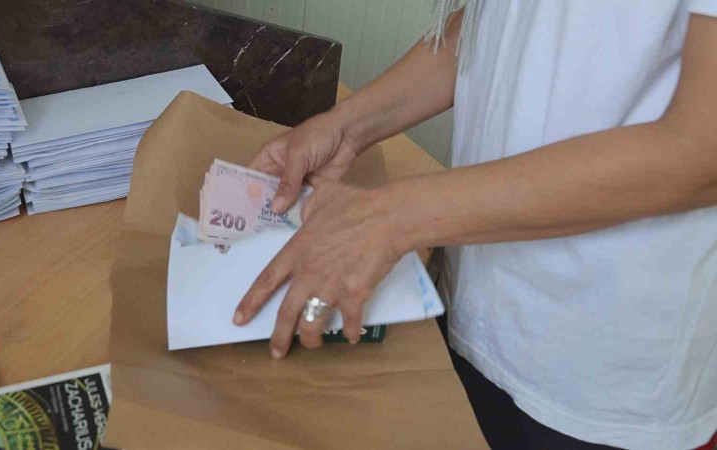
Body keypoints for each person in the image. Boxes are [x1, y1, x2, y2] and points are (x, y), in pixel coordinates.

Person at [232, 1, 717, 449]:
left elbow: (700, 152)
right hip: (477, 301)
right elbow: (502, 24)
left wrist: (393, 217)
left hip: (603, 366)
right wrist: (347, 127)